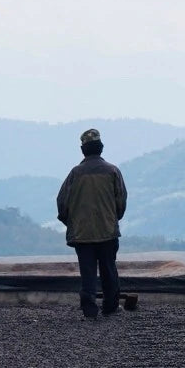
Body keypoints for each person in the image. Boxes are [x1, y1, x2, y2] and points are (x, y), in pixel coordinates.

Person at [56, 128, 128, 319]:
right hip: (107, 231)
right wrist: (111, 219)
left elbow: (62, 203)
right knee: (108, 269)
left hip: (82, 234)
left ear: (83, 150)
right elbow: (121, 202)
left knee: (87, 273)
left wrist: (73, 223)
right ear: (101, 148)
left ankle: (89, 310)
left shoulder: (75, 174)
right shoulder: (113, 171)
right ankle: (110, 306)